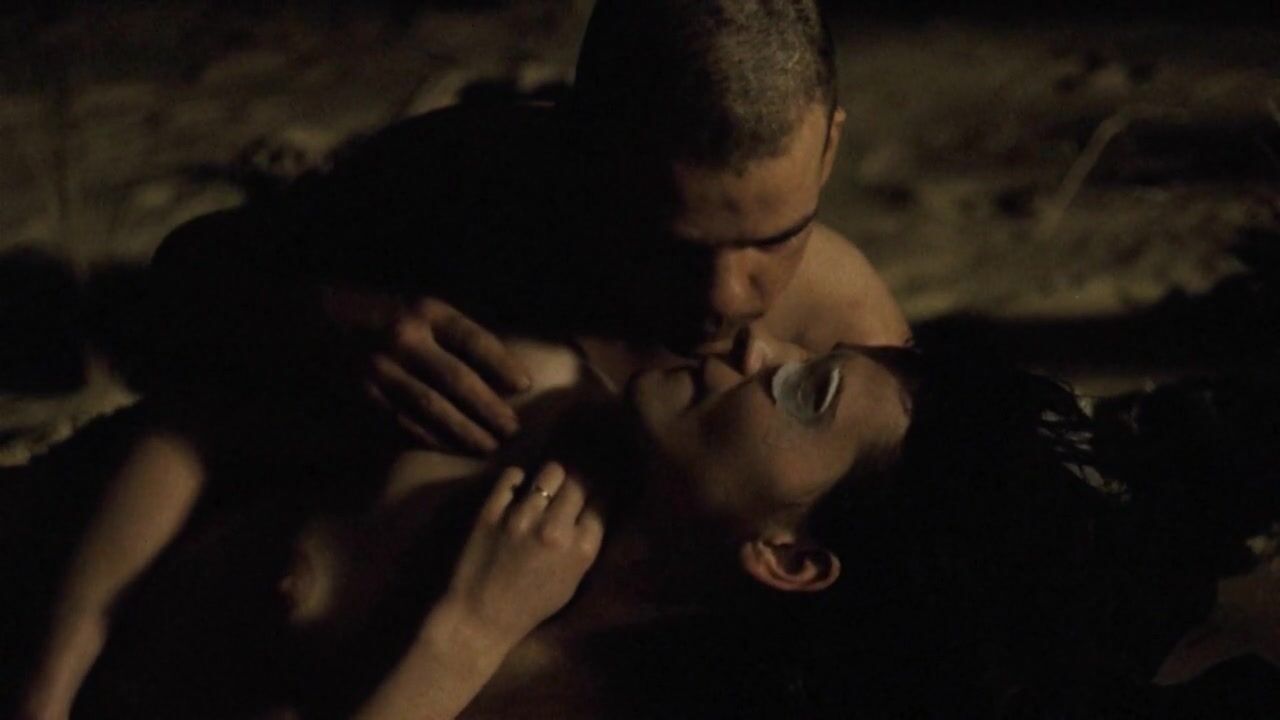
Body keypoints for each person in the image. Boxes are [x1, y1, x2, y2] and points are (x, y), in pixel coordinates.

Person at [20, 2, 913, 713]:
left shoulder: (853, 340)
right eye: (671, 244)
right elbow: (186, 304)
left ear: (830, 145)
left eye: (776, 238)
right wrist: (325, 319)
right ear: (587, 150)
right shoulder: (480, 184)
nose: (728, 300)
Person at [22, 326, 1280, 719]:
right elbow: (196, 432)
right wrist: (45, 687)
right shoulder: (538, 406)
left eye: (801, 392)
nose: (756, 343)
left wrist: (462, 638)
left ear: (791, 556)